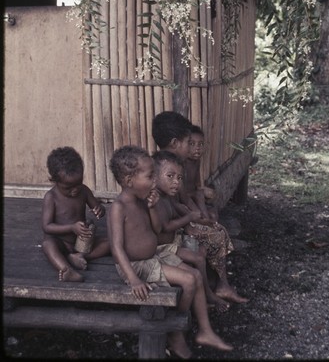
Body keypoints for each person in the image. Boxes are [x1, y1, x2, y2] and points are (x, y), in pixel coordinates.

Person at [107, 145, 233, 359]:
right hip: (137, 266)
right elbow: (116, 248)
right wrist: (134, 279)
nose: (154, 182)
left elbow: (157, 229)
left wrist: (153, 207)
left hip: (154, 256)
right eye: (150, 177)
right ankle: (175, 332)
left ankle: (204, 331)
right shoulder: (118, 208)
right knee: (189, 280)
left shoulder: (142, 201)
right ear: (129, 181)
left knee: (195, 276)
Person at [152, 113, 248, 304]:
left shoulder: (169, 165)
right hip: (165, 236)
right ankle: (220, 286)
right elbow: (168, 209)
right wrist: (191, 221)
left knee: (214, 227)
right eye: (188, 142)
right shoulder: (164, 170)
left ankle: (219, 284)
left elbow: (179, 201)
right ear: (174, 143)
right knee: (216, 234)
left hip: (177, 223)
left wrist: (195, 215)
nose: (191, 147)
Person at [152, 149, 230, 313]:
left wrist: (195, 221)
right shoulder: (156, 201)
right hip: (162, 249)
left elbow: (180, 210)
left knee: (201, 255)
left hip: (172, 243)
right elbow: (165, 226)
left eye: (179, 178)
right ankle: (200, 299)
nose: (176, 182)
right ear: (154, 177)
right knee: (197, 260)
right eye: (170, 176)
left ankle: (207, 292)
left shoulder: (166, 196)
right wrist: (188, 219)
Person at [42, 146, 110, 282]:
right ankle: (66, 269)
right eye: (68, 187)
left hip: (82, 243)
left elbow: (97, 207)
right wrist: (72, 227)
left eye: (78, 183)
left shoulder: (84, 191)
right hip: (61, 242)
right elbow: (47, 226)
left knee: (112, 242)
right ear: (55, 181)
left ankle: (80, 256)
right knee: (47, 244)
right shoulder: (51, 197)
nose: (75, 190)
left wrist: (100, 210)